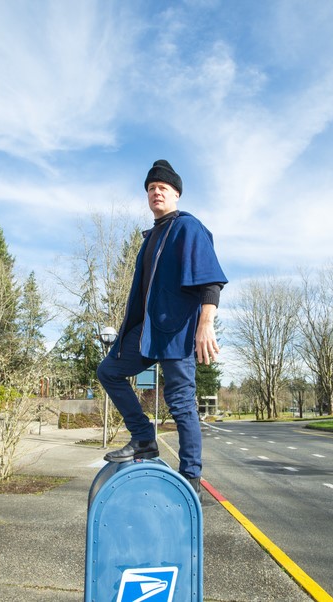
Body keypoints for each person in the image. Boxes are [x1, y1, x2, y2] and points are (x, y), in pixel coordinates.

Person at [97, 159, 227, 496]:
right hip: (146, 331)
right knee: (108, 371)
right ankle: (143, 437)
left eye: (163, 188)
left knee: (181, 402)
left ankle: (191, 480)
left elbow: (211, 282)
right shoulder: (151, 237)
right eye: (151, 188)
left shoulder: (188, 227)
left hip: (177, 332)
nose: (156, 192)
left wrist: (205, 325)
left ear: (176, 194)